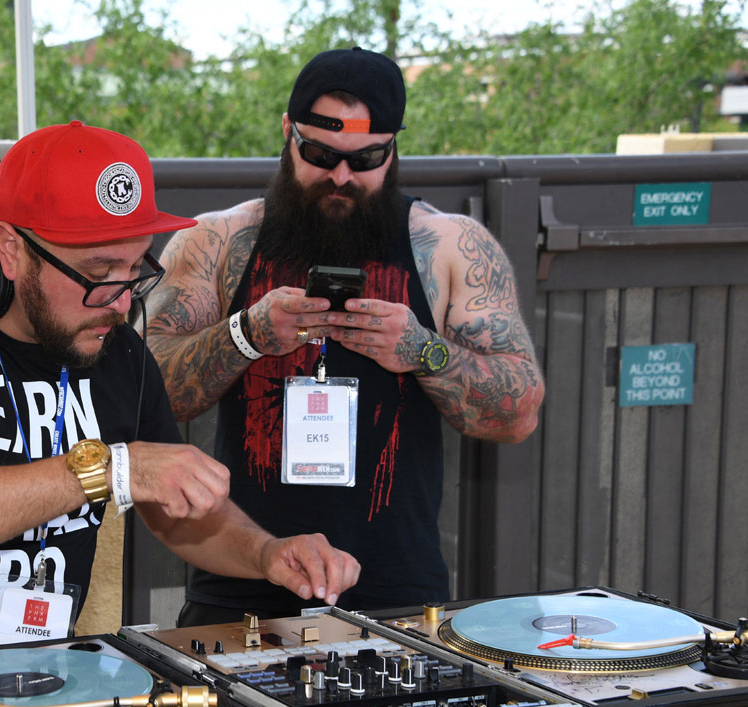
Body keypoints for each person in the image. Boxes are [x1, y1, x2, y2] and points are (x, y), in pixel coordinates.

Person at [0, 121, 360, 656]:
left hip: (44, 681)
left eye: (135, 270)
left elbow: (180, 515)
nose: (122, 302)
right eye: (99, 273)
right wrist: (106, 467)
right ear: (11, 249)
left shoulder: (116, 349)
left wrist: (266, 553)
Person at [145, 48, 545, 627]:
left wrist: (423, 351)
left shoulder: (452, 245)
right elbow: (145, 395)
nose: (340, 176)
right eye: (319, 153)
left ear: (394, 149)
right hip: (240, 586)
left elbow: (518, 415)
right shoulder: (215, 242)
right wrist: (246, 333)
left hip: (399, 594)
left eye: (367, 159)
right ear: (287, 133)